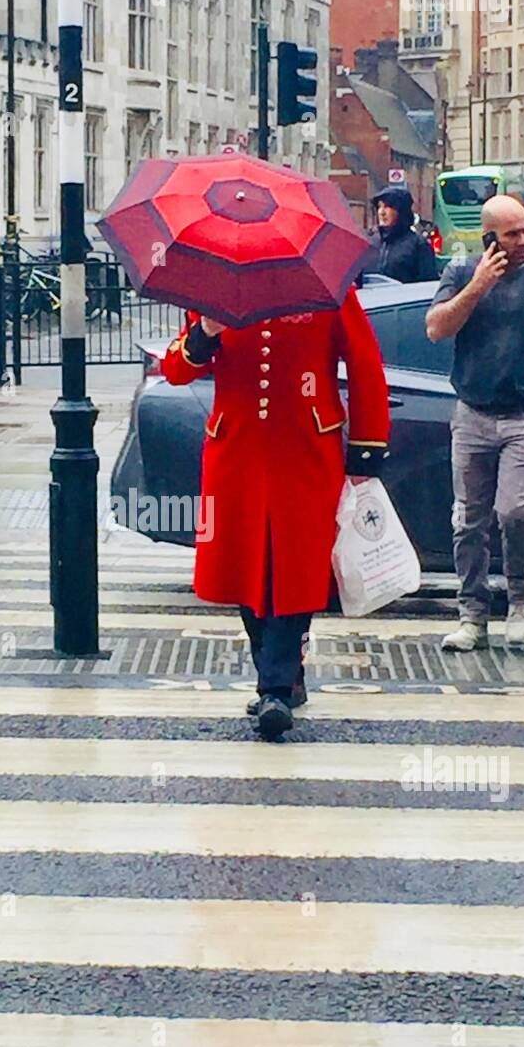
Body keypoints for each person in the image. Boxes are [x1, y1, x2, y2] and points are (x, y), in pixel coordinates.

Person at [162, 290, 390, 740]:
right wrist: (204, 332)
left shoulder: (327, 289)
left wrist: (366, 451)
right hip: (237, 449)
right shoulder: (216, 286)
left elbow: (364, 363)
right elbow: (176, 370)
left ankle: (275, 688)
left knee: (297, 567)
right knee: (244, 565)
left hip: (306, 446)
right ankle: (282, 674)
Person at [426, 195, 524, 652]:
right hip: (473, 414)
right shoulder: (460, 274)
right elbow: (436, 328)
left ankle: (520, 596)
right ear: (488, 237)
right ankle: (472, 614)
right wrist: (477, 286)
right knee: (467, 521)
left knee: (514, 511)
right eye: (513, 233)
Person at [367, 186, 438, 284]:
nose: (382, 212)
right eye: (379, 206)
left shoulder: (418, 245)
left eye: (388, 207)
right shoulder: (370, 242)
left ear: (401, 211)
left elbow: (428, 283)